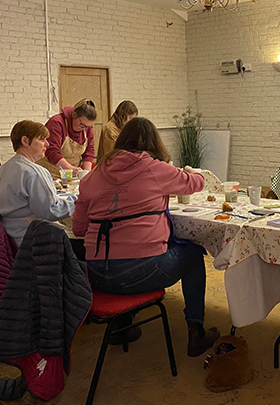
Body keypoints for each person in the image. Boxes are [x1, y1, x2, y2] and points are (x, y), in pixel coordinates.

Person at [72, 117, 220, 353]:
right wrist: (193, 171)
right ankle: (196, 332)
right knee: (192, 255)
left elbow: (79, 229)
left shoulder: (93, 176)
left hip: (97, 273)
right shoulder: (154, 168)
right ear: (155, 143)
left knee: (123, 259)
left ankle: (121, 324)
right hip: (141, 271)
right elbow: (196, 184)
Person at [0, 120, 76, 246]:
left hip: (5, 237)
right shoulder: (34, 172)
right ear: (25, 141)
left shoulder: (1, 170)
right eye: (42, 139)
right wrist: (78, 200)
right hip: (27, 239)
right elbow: (51, 211)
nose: (47, 144)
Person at [36, 98, 97, 179]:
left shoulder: (86, 128)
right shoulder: (56, 123)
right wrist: (70, 168)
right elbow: (52, 151)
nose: (84, 128)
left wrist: (87, 174)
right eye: (82, 124)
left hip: (69, 175)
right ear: (74, 115)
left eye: (87, 127)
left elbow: (89, 151)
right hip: (48, 173)